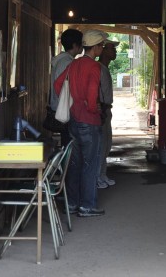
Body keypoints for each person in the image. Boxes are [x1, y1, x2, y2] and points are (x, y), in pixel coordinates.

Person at [54, 29, 107, 217]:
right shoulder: (94, 67)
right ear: (96, 47)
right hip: (89, 120)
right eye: (103, 45)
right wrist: (93, 108)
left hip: (73, 120)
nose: (103, 48)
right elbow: (92, 92)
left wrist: (72, 102)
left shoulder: (74, 64)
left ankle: (73, 203)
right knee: (90, 163)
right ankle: (87, 206)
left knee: (74, 164)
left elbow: (58, 84)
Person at [49, 29, 83, 149]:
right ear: (75, 45)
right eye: (81, 43)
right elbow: (63, 87)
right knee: (69, 145)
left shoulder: (61, 60)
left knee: (67, 143)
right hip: (65, 110)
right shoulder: (67, 62)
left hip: (60, 108)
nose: (83, 46)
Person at [97, 38, 119, 189]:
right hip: (101, 110)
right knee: (101, 144)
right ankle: (98, 176)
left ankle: (102, 174)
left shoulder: (104, 68)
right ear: (103, 50)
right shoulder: (98, 68)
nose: (115, 51)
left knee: (106, 144)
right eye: (112, 48)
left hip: (106, 109)